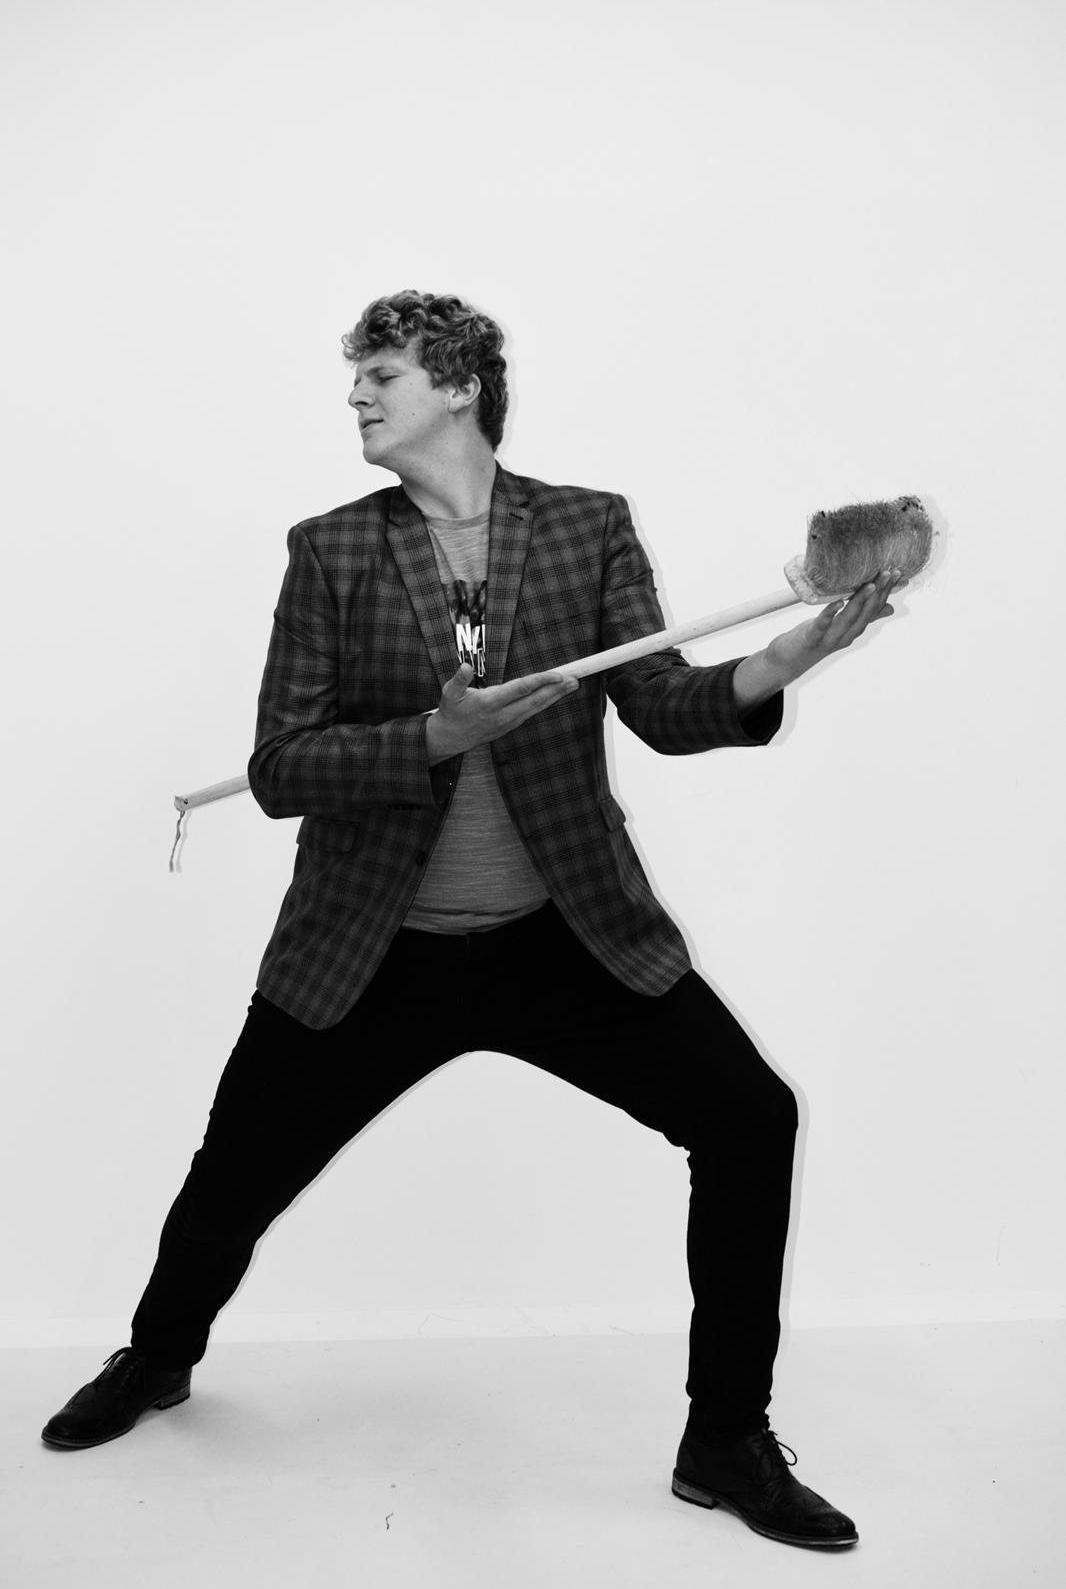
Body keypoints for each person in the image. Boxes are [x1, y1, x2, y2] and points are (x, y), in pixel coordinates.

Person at [42, 290, 898, 1550]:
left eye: (380, 372)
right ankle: (157, 1357)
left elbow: (660, 705)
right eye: (356, 377)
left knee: (749, 1116)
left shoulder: (586, 527)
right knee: (233, 1177)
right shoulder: (332, 549)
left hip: (566, 934)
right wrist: (434, 736)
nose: (356, 394)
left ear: (457, 384)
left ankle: (725, 1438)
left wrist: (787, 660)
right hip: (369, 947)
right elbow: (281, 765)